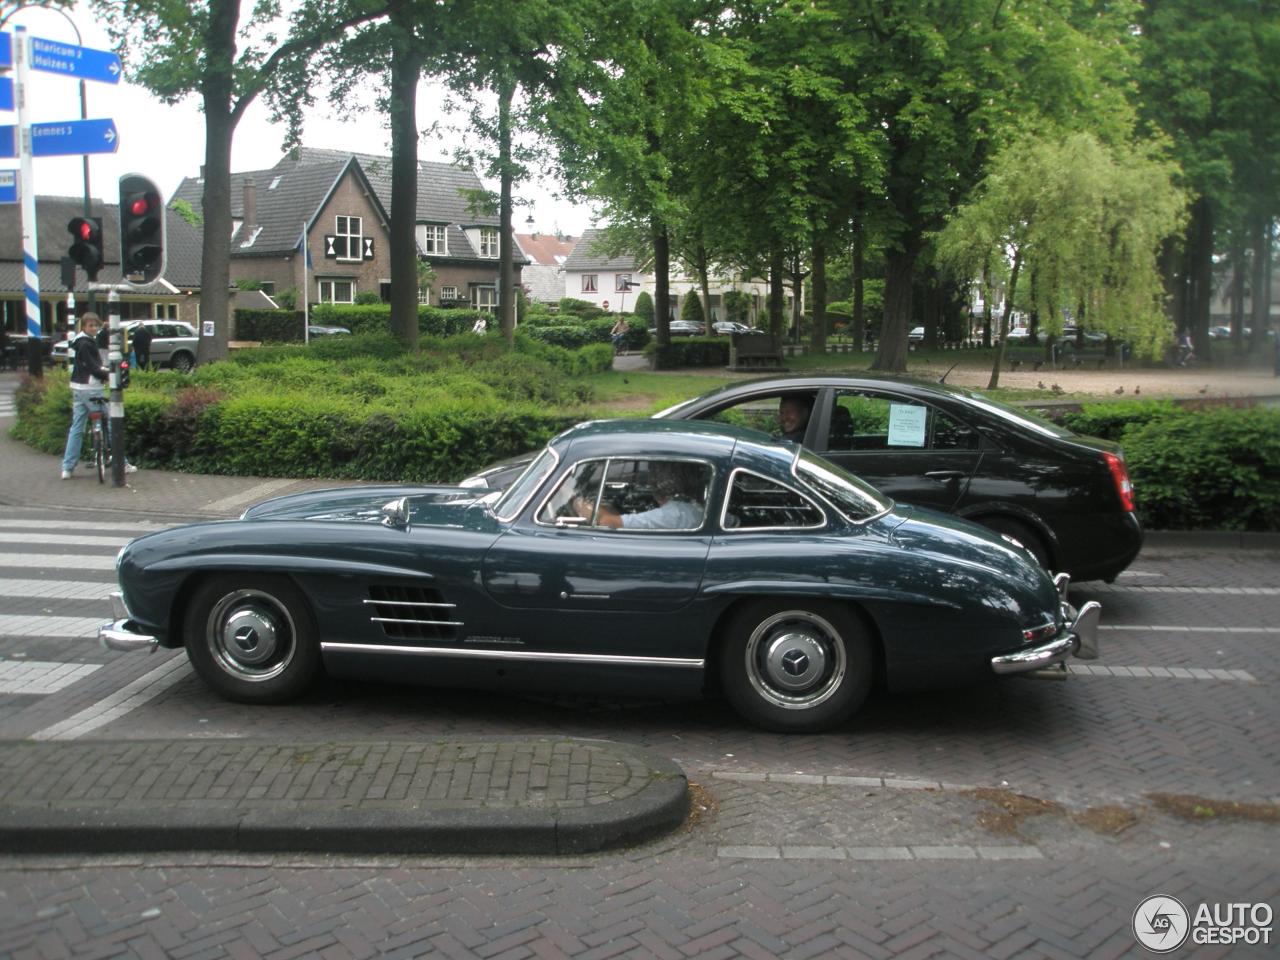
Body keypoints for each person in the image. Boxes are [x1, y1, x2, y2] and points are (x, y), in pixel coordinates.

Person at [60, 313, 136, 480]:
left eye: (96, 326)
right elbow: (93, 368)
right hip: (92, 389)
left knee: (77, 427)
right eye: (91, 326)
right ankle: (121, 462)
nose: (94, 329)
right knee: (111, 422)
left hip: (78, 389)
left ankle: (67, 467)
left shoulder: (79, 342)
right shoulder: (87, 344)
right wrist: (111, 375)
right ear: (84, 327)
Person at [573, 462, 705, 530]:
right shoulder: (691, 506)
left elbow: (606, 521)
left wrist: (576, 499)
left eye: (654, 475)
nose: (650, 481)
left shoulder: (675, 513)